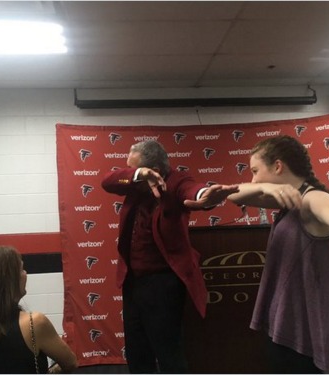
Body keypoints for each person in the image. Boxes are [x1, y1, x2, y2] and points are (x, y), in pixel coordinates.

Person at [190, 135, 329, 373]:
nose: (252, 178)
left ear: (278, 166)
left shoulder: (313, 198)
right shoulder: (289, 200)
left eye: (256, 170)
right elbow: (232, 193)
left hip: (306, 335)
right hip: (288, 324)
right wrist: (265, 185)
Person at [101, 140, 239, 373]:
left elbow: (193, 190)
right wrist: (138, 173)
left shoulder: (176, 181)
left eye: (136, 168)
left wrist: (205, 195)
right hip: (133, 282)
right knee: (137, 352)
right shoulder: (136, 183)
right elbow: (108, 180)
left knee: (168, 353)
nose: (130, 171)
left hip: (163, 283)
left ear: (156, 170)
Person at [0, 246, 77, 374]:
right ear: (8, 282)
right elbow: (70, 362)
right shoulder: (34, 324)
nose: (25, 274)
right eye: (21, 269)